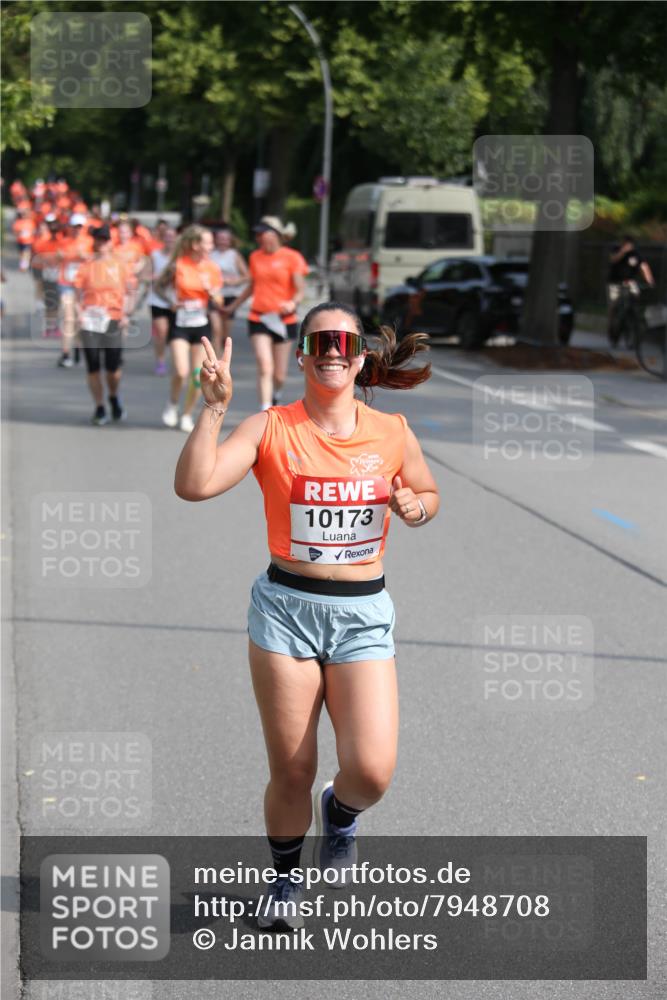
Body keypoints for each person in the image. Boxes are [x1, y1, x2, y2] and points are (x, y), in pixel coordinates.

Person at [174, 300, 438, 929]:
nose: (332, 353)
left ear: (359, 357)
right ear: (301, 356)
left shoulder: (393, 431)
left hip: (362, 615)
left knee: (371, 771)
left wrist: (413, 508)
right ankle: (284, 882)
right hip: (286, 612)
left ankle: (341, 814)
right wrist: (213, 407)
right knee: (291, 769)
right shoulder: (271, 427)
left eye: (343, 343)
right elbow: (195, 484)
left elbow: (428, 495)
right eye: (319, 344)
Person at [224, 216, 305, 410]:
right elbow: (252, 286)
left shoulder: (292, 257)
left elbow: (300, 289)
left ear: (276, 234)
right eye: (258, 234)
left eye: (263, 233)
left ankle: (276, 394)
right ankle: (266, 408)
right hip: (259, 317)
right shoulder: (255, 256)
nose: (260, 237)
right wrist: (232, 307)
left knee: (279, 374)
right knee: (264, 365)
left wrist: (292, 303)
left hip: (283, 319)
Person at [158, 225, 223, 432]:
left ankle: (186, 414)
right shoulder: (178, 265)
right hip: (180, 324)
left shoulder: (212, 268)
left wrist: (212, 292)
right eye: (208, 242)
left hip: (201, 326)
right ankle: (173, 404)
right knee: (180, 371)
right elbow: (159, 286)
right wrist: (170, 301)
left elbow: (220, 301)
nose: (211, 246)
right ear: (195, 245)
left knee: (197, 376)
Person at [73, 226, 132, 425]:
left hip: (113, 318)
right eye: (99, 239)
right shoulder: (86, 265)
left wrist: (126, 314)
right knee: (93, 366)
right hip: (90, 320)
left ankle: (113, 396)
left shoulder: (120, 265)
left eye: (106, 239)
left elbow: (130, 292)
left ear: (111, 241)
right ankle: (99, 407)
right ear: (94, 242)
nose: (102, 243)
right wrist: (79, 313)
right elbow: (75, 294)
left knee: (113, 368)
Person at [56, 213, 93, 368]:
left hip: (83, 286)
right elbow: (58, 257)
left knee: (79, 319)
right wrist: (64, 255)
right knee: (68, 318)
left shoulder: (90, 242)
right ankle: (65, 353)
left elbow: (95, 259)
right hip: (66, 283)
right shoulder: (64, 242)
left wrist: (86, 257)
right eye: (74, 226)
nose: (77, 229)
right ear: (70, 227)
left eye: (80, 226)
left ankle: (78, 347)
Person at [209, 225, 249, 353]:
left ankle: (222, 356)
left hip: (230, 296)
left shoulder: (234, 255)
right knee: (216, 329)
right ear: (216, 240)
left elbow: (247, 276)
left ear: (230, 240)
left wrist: (234, 281)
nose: (223, 241)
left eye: (225, 239)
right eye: (220, 238)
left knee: (225, 334)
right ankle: (215, 361)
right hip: (214, 295)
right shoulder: (210, 254)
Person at [607, 235, 655, 342]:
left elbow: (644, 266)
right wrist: (623, 252)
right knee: (613, 305)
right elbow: (613, 259)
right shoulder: (616, 249)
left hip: (630, 282)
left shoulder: (635, 254)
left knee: (636, 296)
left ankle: (633, 318)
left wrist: (649, 280)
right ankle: (611, 327)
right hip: (615, 282)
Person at [147, 226, 177, 375]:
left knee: (174, 334)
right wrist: (153, 278)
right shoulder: (155, 255)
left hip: (175, 300)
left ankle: (177, 360)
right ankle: (160, 361)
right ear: (163, 239)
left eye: (172, 237)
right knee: (162, 332)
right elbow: (146, 275)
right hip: (157, 299)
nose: (170, 240)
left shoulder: (180, 257)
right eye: (167, 237)